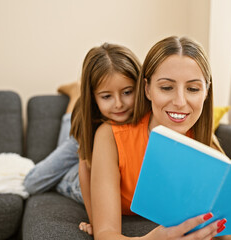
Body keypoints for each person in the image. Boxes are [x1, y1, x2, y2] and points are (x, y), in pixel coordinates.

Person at [88, 36, 231, 240]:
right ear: (147, 89)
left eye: (193, 89)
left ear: (205, 92)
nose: (179, 101)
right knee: (78, 155)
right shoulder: (110, 135)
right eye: (167, 87)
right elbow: (105, 234)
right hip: (78, 170)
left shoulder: (206, 146)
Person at [23, 42, 142, 235]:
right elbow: (85, 170)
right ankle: (74, 95)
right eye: (106, 96)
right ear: (93, 97)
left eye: (127, 92)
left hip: (102, 158)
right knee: (33, 183)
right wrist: (96, 221)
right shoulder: (90, 123)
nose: (119, 104)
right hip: (83, 142)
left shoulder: (146, 114)